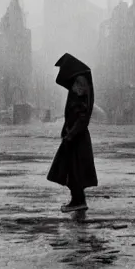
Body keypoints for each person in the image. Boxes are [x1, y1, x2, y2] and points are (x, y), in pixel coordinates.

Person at [47, 53, 98, 213]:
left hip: (76, 137)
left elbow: (82, 115)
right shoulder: (80, 82)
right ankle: (77, 199)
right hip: (75, 136)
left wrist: (71, 134)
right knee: (72, 170)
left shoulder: (80, 82)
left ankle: (78, 200)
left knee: (74, 170)